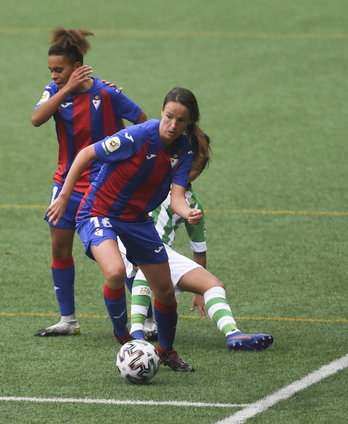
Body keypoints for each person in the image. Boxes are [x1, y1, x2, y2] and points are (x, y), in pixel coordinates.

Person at [46, 87, 211, 372]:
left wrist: (189, 213)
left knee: (165, 292)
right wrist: (63, 196)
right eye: (169, 116)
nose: (172, 125)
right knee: (115, 272)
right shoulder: (139, 135)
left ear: (190, 122)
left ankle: (167, 351)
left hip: (137, 219)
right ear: (162, 110)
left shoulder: (183, 151)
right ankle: (124, 338)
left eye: (180, 120)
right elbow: (86, 154)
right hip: (99, 212)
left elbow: (177, 197)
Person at [31, 28, 147, 337]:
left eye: (60, 70)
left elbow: (144, 124)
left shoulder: (107, 94)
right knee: (59, 248)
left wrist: (126, 160)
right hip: (65, 183)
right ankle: (68, 320)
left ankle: (142, 320)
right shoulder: (55, 93)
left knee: (120, 255)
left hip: (102, 187)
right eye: (51, 70)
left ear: (77, 66)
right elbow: (36, 118)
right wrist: (65, 89)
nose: (54, 75)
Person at [127, 141, 274, 352]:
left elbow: (199, 249)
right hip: (128, 239)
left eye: (195, 168)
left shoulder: (193, 204)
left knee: (214, 285)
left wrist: (198, 293)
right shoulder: (152, 176)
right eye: (186, 164)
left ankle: (233, 334)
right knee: (147, 262)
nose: (188, 171)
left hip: (160, 251)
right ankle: (136, 336)